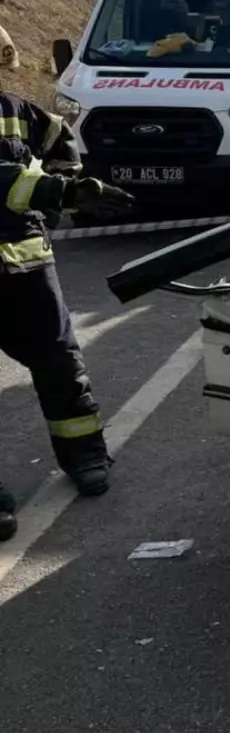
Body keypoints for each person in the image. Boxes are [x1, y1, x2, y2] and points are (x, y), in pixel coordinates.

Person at [0, 31, 133, 539]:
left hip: (28, 269)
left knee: (60, 364)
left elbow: (60, 141)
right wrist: (64, 191)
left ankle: (86, 456)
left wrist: (67, 181)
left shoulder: (17, 111)